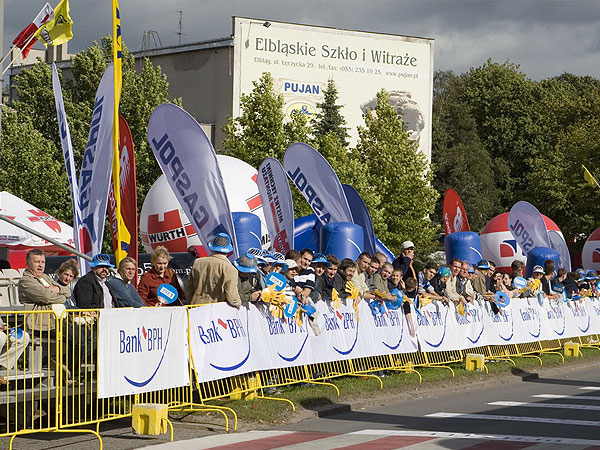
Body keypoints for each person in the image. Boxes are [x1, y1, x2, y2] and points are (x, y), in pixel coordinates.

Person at [18, 249, 70, 331]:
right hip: (42, 325)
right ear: (28, 264)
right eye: (37, 262)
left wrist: (58, 289)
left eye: (43, 262)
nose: (40, 265)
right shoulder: (26, 281)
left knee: (88, 335)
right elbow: (46, 297)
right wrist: (63, 298)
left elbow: (67, 291)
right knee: (80, 338)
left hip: (58, 321)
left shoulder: (45, 277)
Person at [184, 233, 241, 308]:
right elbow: (232, 297)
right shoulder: (230, 269)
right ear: (228, 251)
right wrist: (239, 304)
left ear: (212, 248)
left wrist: (191, 303)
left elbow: (189, 289)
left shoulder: (198, 262)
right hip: (216, 311)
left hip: (196, 307)